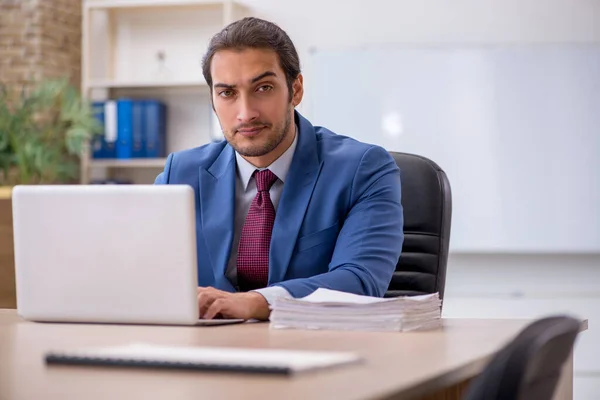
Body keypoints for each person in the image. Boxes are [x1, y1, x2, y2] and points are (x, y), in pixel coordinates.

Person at [155, 17, 404, 321]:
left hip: (317, 352)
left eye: (263, 87)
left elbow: (361, 280)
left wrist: (259, 302)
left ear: (295, 90)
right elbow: (142, 271)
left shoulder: (362, 170)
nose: (245, 113)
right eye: (227, 93)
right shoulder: (179, 174)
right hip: (203, 352)